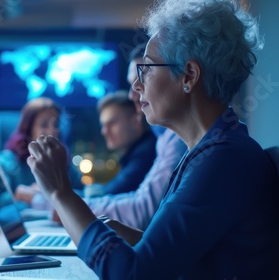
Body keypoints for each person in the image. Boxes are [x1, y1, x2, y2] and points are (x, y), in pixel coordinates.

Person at [27, 0, 279, 278]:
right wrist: (136, 238)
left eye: (146, 68)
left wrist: (61, 194)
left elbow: (133, 275)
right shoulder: (213, 149)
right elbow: (190, 257)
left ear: (189, 76)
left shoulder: (223, 160)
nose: (136, 85)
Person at [82, 44, 187, 230]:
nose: (133, 94)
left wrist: (64, 201)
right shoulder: (164, 138)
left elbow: (141, 211)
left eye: (143, 77)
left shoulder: (174, 140)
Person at [0, 97, 83, 205]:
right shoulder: (7, 161)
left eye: (56, 124)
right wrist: (20, 195)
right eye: (44, 124)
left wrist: (56, 193)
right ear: (28, 129)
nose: (52, 131)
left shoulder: (62, 162)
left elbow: (85, 192)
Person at [93, 93, 156, 195]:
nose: (104, 131)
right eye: (103, 125)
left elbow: (110, 193)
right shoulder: (139, 152)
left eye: (112, 123)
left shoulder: (146, 154)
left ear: (136, 121)